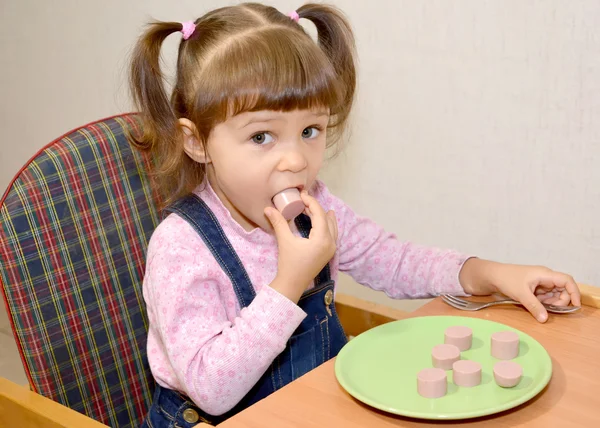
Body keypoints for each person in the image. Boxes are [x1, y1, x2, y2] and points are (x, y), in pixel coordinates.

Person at [127, 3, 580, 426]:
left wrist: (488, 273)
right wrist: (289, 285)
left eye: (310, 131)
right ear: (197, 141)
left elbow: (393, 260)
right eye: (262, 137)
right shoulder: (181, 246)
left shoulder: (316, 205)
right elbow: (210, 388)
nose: (295, 160)